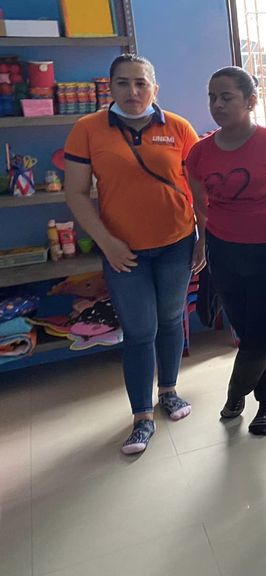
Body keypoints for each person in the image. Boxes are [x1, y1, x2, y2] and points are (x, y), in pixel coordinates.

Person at [64, 54, 201, 454]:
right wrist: (107, 242)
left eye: (141, 83)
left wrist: (204, 237)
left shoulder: (178, 127)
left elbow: (201, 188)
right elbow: (76, 193)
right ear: (111, 87)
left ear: (155, 88)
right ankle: (142, 416)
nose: (133, 91)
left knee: (171, 319)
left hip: (177, 242)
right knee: (140, 331)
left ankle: (169, 391)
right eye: (123, 82)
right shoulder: (87, 129)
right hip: (123, 252)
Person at [186, 67, 266, 436]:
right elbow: (201, 206)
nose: (217, 104)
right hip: (225, 254)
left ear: (250, 101)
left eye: (226, 96)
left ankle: (235, 393)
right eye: (212, 97)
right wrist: (204, 241)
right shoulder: (199, 153)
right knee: (249, 332)